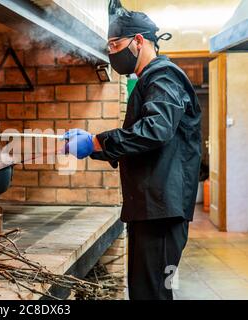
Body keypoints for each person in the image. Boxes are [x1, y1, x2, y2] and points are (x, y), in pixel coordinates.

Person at [64, 10, 202, 300]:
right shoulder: (151, 79)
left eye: (115, 45)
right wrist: (95, 148)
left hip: (161, 210)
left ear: (139, 41)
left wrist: (95, 142)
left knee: (152, 294)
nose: (112, 53)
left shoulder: (163, 75)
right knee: (146, 291)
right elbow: (146, 144)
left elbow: (155, 131)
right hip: (152, 207)